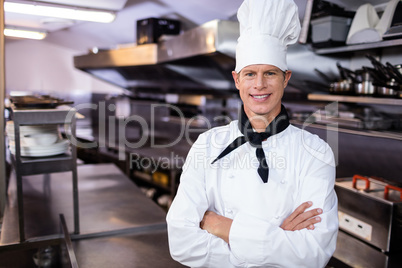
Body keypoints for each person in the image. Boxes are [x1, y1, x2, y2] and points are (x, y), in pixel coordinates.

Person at [166, 0, 338, 267]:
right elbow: (181, 241)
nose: (259, 84)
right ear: (237, 80)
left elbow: (313, 253)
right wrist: (278, 241)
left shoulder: (315, 152)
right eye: (250, 74)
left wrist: (219, 224)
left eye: (270, 73)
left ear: (286, 78)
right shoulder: (207, 145)